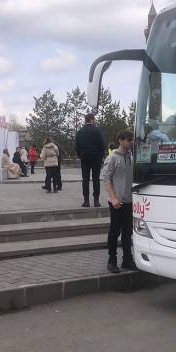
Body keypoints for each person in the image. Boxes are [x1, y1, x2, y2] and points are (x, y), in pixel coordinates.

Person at [102, 130, 135, 273]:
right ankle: (112, 260)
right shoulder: (112, 158)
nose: (131, 142)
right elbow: (106, 179)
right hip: (116, 201)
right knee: (114, 231)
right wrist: (113, 198)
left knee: (128, 232)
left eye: (131, 139)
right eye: (128, 140)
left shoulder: (132, 156)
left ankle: (127, 259)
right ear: (120, 141)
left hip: (129, 200)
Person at [75, 113, 106, 207]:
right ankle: (96, 201)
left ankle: (86, 201)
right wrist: (100, 156)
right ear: (92, 120)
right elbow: (102, 145)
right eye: (94, 119)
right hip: (96, 158)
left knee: (85, 180)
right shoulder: (97, 130)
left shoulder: (80, 131)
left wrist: (81, 155)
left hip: (84, 158)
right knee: (96, 179)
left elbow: (76, 147)